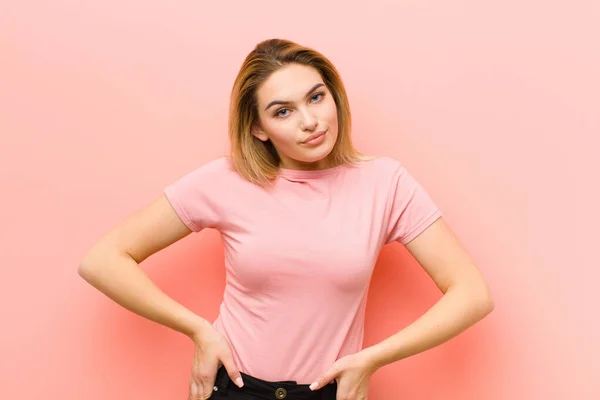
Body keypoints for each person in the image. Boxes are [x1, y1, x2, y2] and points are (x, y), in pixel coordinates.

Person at [78, 38, 495, 400]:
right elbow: (103, 260)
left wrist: (372, 359)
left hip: (331, 392)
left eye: (316, 97)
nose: (310, 121)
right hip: (232, 388)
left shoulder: (386, 183)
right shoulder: (225, 181)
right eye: (282, 112)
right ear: (258, 128)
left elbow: (472, 293)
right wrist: (199, 330)